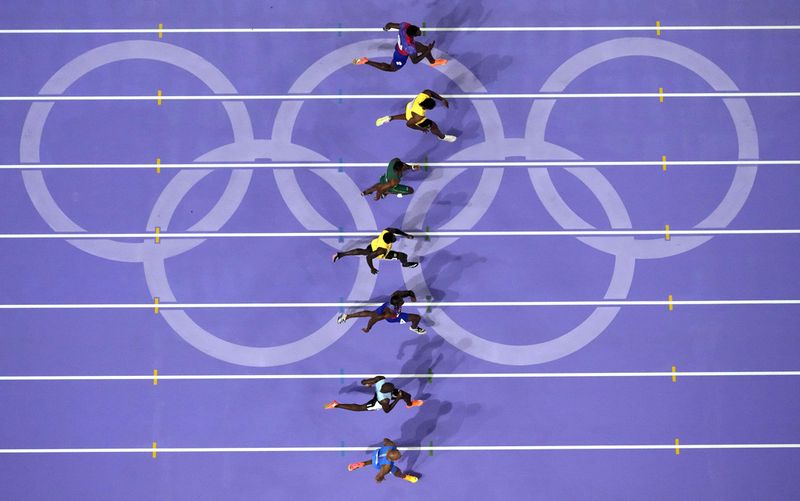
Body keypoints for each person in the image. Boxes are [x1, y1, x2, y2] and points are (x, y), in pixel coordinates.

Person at [353, 22, 447, 71]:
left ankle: (433, 62)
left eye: (418, 29)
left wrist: (386, 28)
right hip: (401, 55)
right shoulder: (410, 47)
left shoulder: (405, 26)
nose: (420, 32)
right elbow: (415, 61)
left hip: (404, 44)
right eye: (418, 32)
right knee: (392, 68)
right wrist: (428, 51)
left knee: (424, 48)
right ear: (412, 35)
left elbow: (389, 24)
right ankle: (366, 62)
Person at [375, 89, 457, 142]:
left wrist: (442, 99)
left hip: (410, 107)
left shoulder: (423, 95)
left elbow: (430, 92)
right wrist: (421, 128)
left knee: (408, 116)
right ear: (425, 107)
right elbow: (409, 124)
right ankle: (442, 137)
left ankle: (389, 118)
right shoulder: (419, 116)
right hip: (414, 114)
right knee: (433, 126)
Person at [332, 228, 418, 275]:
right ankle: (405, 264)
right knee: (403, 256)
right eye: (393, 239)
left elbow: (395, 230)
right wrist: (372, 268)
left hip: (373, 244)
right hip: (381, 253)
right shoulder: (382, 250)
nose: (395, 238)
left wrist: (406, 235)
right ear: (389, 242)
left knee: (363, 251)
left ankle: (340, 254)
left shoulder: (386, 231)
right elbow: (369, 257)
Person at [337, 289, 426, 334]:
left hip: (386, 307)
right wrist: (368, 329)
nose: (403, 301)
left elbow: (409, 292)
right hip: (393, 318)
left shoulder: (396, 295)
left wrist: (412, 296)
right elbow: (372, 320)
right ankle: (413, 328)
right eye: (401, 302)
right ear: (397, 304)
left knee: (371, 313)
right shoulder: (387, 314)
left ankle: (346, 316)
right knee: (417, 318)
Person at [324, 376, 424, 412]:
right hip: (378, 401)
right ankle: (336, 405)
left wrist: (366, 383)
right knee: (360, 408)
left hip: (384, 392)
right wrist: (398, 398)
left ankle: (410, 404)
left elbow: (369, 381)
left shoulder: (381, 380)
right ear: (387, 392)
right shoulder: (384, 401)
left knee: (407, 396)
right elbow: (387, 410)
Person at [347, 438, 419, 484]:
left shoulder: (390, 445)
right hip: (378, 464)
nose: (400, 455)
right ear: (393, 459)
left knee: (377, 460)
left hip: (376, 455)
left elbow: (385, 440)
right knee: (397, 472)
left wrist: (386, 442)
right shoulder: (387, 466)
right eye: (397, 458)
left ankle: (363, 463)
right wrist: (379, 479)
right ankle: (406, 477)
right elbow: (380, 474)